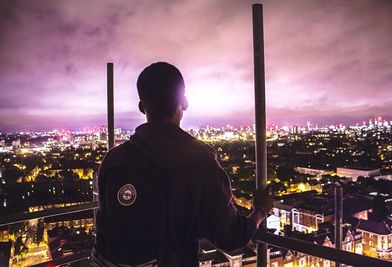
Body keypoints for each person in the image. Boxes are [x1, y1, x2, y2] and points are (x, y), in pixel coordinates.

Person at [92, 62, 273, 267]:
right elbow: (231, 235)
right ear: (184, 102)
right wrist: (261, 211)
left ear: (142, 107)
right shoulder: (199, 162)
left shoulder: (114, 159)